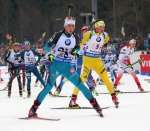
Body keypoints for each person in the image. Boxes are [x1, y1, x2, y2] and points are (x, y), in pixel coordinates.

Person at [28, 16, 103, 117]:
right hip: (56, 66)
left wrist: (76, 52)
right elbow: (46, 46)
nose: (71, 28)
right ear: (64, 26)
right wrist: (49, 54)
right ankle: (33, 109)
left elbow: (77, 48)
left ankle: (95, 105)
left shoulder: (75, 37)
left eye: (73, 26)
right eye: (69, 26)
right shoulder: (58, 35)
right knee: (48, 87)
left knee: (81, 85)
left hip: (68, 67)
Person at [69, 19, 119, 107]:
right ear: (96, 27)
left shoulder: (105, 35)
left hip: (97, 60)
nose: (102, 28)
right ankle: (73, 99)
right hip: (88, 60)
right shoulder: (89, 34)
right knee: (82, 79)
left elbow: (105, 40)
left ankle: (114, 97)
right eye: (101, 27)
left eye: (103, 27)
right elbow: (80, 43)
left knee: (106, 79)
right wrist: (72, 48)